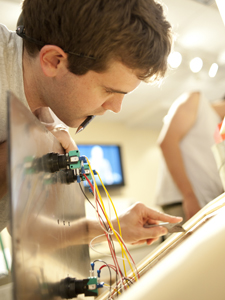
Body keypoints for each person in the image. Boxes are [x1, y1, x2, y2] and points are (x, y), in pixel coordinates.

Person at [0, 0, 182, 245]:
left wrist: (112, 228)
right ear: (54, 60)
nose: (115, 108)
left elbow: (28, 232)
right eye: (109, 90)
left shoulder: (48, 112)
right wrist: (24, 150)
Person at [155, 91, 225, 222]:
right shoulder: (196, 101)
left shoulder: (220, 129)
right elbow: (168, 142)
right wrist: (189, 197)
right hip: (184, 202)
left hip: (208, 205)